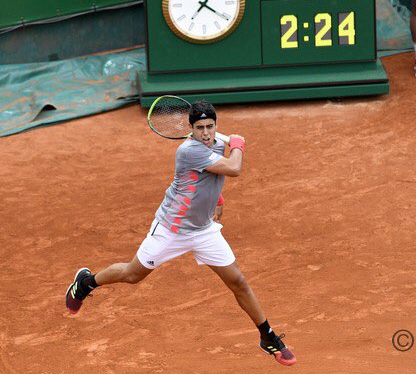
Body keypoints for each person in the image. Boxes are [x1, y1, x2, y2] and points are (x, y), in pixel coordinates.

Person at [65, 101, 297, 366]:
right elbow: (233, 168)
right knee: (132, 274)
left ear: (215, 125)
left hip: (204, 230)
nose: (206, 133)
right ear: (191, 129)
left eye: (210, 126)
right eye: (200, 128)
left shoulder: (216, 144)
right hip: (171, 229)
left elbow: (205, 176)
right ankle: (85, 282)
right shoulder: (188, 150)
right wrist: (238, 144)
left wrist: (217, 198)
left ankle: (267, 336)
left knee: (238, 281)